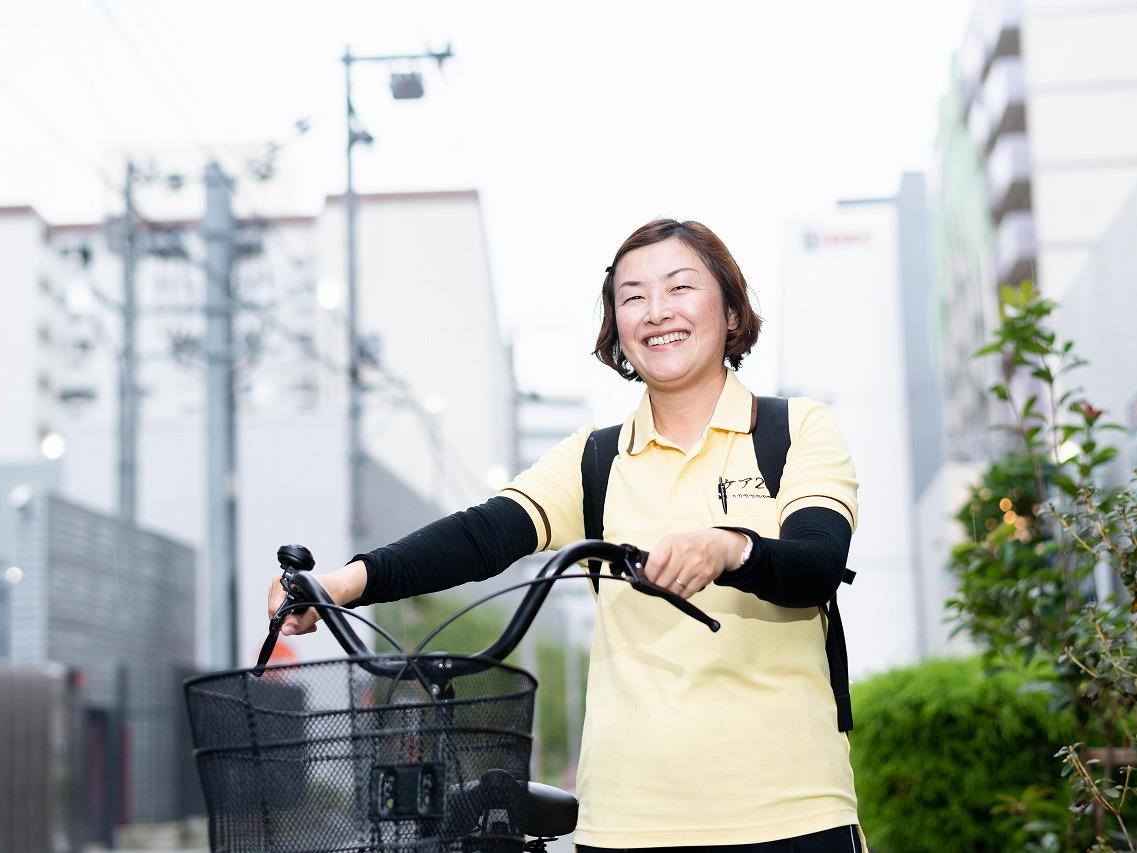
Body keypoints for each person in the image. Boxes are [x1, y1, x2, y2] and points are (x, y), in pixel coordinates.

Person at [269, 219, 864, 851]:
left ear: (732, 311)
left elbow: (815, 562)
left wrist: (729, 545)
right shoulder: (596, 460)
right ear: (616, 328)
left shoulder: (795, 430)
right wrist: (339, 583)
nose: (656, 311)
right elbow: (485, 533)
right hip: (628, 824)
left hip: (792, 816)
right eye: (633, 296)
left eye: (680, 287)